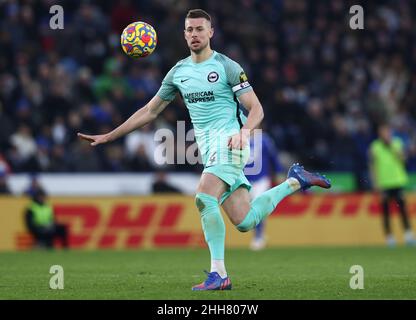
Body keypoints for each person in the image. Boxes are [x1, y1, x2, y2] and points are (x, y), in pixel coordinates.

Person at [78, 9, 331, 290]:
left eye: (200, 29)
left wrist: (244, 132)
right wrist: (110, 136)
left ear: (211, 32)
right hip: (209, 152)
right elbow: (149, 111)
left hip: (230, 144)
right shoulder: (178, 72)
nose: (194, 34)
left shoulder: (227, 67)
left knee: (203, 198)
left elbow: (256, 108)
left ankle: (219, 274)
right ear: (184, 34)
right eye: (189, 30)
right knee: (245, 221)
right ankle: (296, 181)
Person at [369, 124, 415, 246]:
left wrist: (395, 149)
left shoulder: (397, 143)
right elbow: (372, 166)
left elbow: (404, 160)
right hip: (384, 184)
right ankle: (389, 237)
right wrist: (375, 182)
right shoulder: (375, 147)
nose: (386, 134)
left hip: (398, 181)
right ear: (380, 133)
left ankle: (408, 235)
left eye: (388, 132)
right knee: (386, 211)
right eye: (383, 132)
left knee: (403, 210)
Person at [244, 130, 285, 250]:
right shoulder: (238, 137)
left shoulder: (264, 139)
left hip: (261, 179)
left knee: (258, 206)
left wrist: (278, 172)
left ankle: (258, 236)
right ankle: (258, 235)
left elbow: (273, 157)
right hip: (244, 180)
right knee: (247, 210)